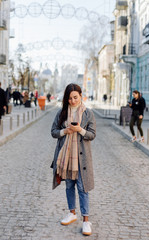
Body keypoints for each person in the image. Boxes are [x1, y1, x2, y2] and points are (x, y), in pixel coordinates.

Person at [51, 83, 96, 236]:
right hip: (66, 157)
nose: (73, 101)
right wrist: (65, 131)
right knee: (69, 186)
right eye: (69, 98)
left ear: (81, 96)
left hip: (82, 159)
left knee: (83, 189)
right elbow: (53, 132)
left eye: (75, 97)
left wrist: (80, 130)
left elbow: (92, 135)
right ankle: (72, 212)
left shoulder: (88, 113)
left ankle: (86, 220)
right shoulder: (62, 113)